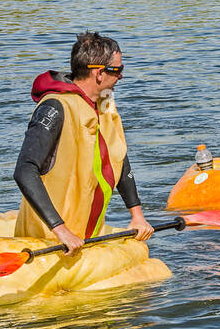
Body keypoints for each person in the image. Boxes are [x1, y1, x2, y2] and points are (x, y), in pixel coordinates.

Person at [14, 32, 154, 256]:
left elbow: (119, 157)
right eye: (118, 70)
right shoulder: (54, 107)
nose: (121, 77)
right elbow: (24, 170)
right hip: (49, 240)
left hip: (85, 237)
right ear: (98, 73)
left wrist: (136, 215)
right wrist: (61, 230)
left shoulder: (104, 104)